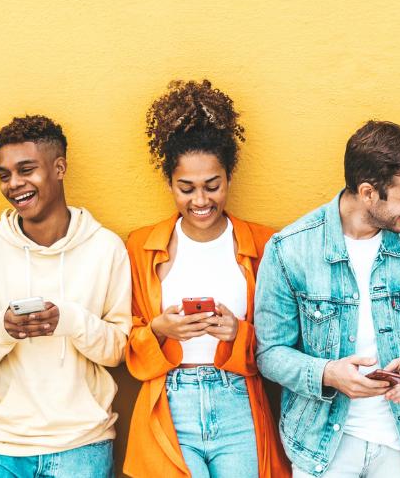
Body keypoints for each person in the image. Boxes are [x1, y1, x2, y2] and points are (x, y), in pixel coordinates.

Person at [255, 120, 400, 478]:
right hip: (320, 446)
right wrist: (328, 374)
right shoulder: (290, 249)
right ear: (368, 193)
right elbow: (270, 353)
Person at [123, 80, 289, 478]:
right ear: (170, 184)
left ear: (229, 177)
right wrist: (160, 329)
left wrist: (238, 332)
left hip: (238, 402)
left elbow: (283, 341)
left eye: (212, 186)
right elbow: (125, 338)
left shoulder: (265, 245)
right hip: (170, 402)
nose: (200, 200)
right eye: (186, 188)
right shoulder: (141, 247)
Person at [0, 115, 131, 477]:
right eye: (4, 175)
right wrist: (4, 328)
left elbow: (118, 350)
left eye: (26, 170)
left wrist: (68, 320)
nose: (14, 184)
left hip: (82, 444)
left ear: (59, 168)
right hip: (2, 445)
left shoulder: (106, 248)